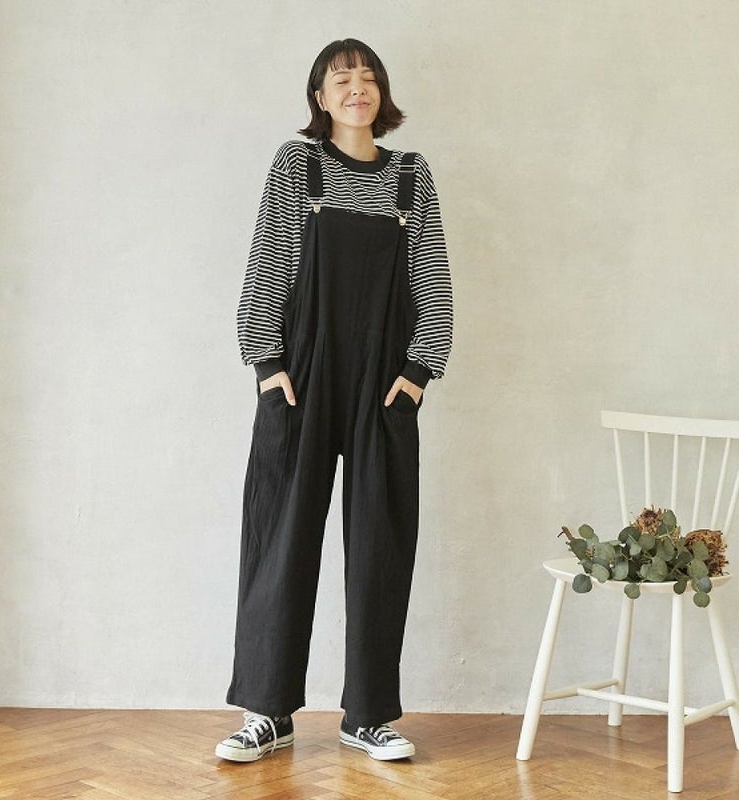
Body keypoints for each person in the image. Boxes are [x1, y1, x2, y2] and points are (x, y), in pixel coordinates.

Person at [215, 38, 453, 763]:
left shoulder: (411, 176)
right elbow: (268, 265)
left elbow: (433, 282)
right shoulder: (300, 164)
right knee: (281, 540)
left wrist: (418, 372)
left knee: (381, 546)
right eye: (342, 78)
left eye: (368, 77)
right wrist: (267, 365)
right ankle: (267, 711)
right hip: (303, 375)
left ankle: (368, 715)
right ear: (320, 97)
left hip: (385, 383)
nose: (357, 88)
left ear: (383, 93)